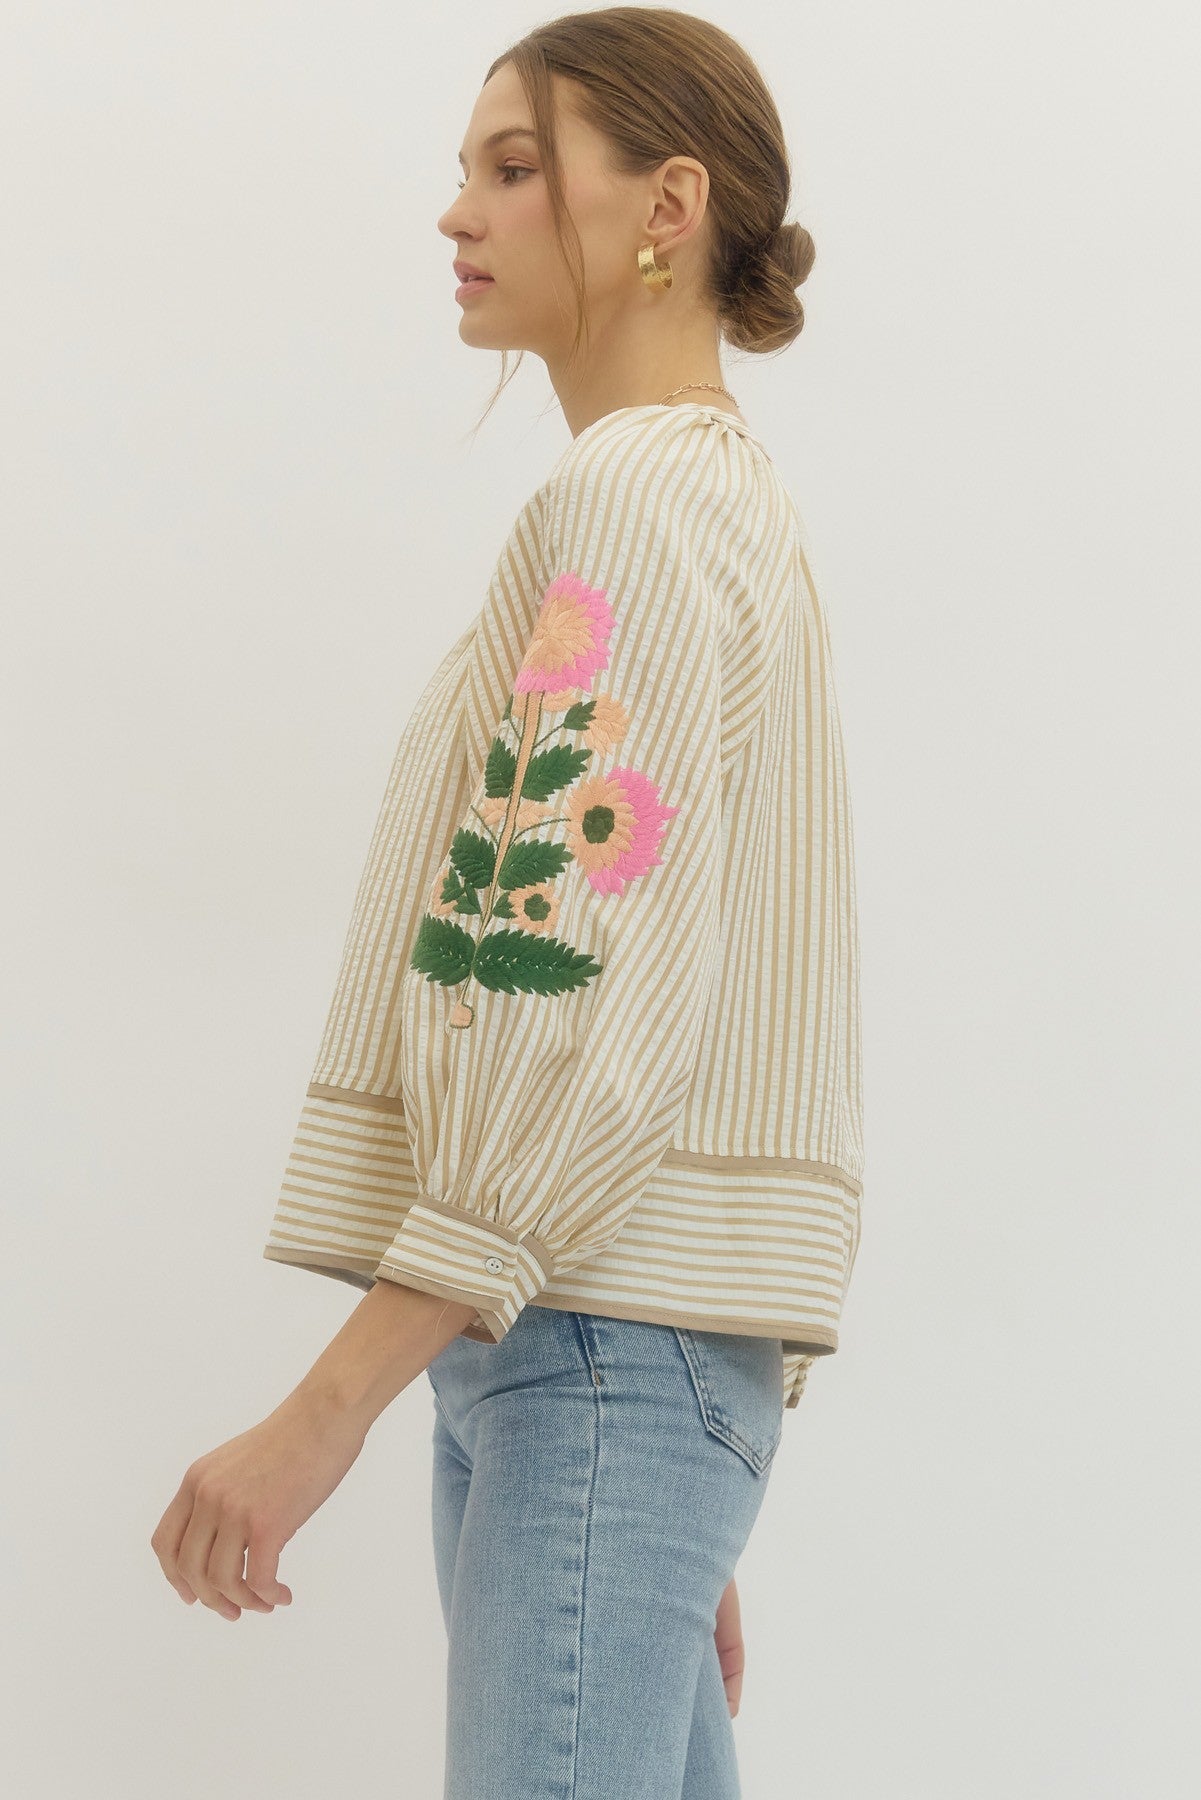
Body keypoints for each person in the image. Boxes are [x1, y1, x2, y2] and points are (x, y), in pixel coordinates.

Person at [151, 10, 863, 1798]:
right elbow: (679, 967)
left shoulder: (631, 497)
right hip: (604, 1365)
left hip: (591, 1360)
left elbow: (566, 979)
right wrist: (671, 1475)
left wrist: (324, 1412)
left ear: (666, 208)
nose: (456, 211)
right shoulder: (712, 497)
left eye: (515, 166)